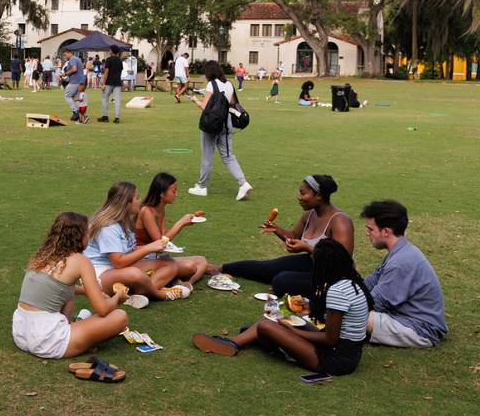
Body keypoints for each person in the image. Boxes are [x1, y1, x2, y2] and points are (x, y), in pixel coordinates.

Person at [193, 238, 372, 377]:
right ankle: (238, 341)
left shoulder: (337, 291)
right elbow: (336, 322)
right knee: (279, 318)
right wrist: (308, 308)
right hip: (347, 352)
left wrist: (292, 331)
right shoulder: (352, 282)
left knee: (267, 325)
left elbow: (329, 339)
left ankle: (253, 339)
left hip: (334, 360)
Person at [210, 175, 353, 299]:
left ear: (319, 195)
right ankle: (220, 268)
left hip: (335, 276)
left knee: (281, 281)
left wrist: (307, 248)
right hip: (312, 263)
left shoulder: (340, 221)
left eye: (303, 193)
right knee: (268, 268)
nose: (299, 197)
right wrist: (276, 229)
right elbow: (293, 236)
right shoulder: (309, 214)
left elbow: (342, 261)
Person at [13, 211, 130, 360]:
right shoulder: (81, 261)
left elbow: (54, 287)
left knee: (69, 298)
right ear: (80, 238)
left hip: (21, 334)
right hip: (49, 341)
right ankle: (81, 337)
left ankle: (75, 328)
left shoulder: (43, 255)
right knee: (120, 317)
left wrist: (86, 291)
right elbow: (102, 309)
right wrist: (118, 298)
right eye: (87, 233)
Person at [361, 200, 448, 347]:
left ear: (386, 231)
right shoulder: (400, 251)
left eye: (370, 229)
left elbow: (376, 303)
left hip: (421, 330)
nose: (367, 233)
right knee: (344, 308)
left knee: (348, 314)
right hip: (405, 318)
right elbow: (370, 282)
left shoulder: (402, 261)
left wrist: (339, 304)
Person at [83, 182, 188, 301]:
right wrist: (148, 248)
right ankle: (161, 294)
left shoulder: (125, 220)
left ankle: (135, 293)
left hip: (117, 269)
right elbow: (119, 262)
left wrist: (152, 249)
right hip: (99, 274)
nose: (140, 200)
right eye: (137, 197)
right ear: (126, 203)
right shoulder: (108, 226)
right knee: (135, 273)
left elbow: (128, 250)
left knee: (169, 264)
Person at [188, 60, 253, 201]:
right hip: (227, 124)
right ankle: (243, 183)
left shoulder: (211, 84)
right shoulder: (229, 84)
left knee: (207, 156)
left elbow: (205, 107)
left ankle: (201, 186)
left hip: (212, 125)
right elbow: (234, 104)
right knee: (228, 156)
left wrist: (194, 100)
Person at [136, 173, 208, 288]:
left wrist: (183, 224)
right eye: (174, 191)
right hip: (143, 260)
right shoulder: (146, 211)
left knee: (202, 261)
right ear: (161, 193)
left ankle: (186, 284)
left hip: (157, 258)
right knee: (190, 266)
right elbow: (160, 243)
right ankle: (169, 280)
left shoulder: (161, 209)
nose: (176, 194)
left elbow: (165, 237)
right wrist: (180, 223)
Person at [98, 44, 123, 123]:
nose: (109, 51)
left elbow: (106, 72)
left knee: (105, 98)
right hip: (117, 82)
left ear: (112, 51)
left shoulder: (109, 59)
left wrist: (104, 83)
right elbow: (120, 72)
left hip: (109, 82)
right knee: (117, 100)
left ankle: (105, 116)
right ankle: (117, 118)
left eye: (109, 50)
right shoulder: (120, 60)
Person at [61, 48, 87, 122]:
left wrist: (65, 74)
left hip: (75, 81)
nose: (65, 57)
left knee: (67, 95)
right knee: (76, 98)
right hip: (80, 81)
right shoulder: (77, 59)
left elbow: (74, 69)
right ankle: (81, 115)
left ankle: (75, 111)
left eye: (65, 55)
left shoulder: (72, 59)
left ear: (69, 53)